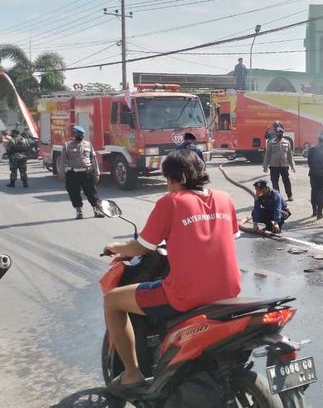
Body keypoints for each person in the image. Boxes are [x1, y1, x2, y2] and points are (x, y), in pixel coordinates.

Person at [102, 150, 240, 393]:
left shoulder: (171, 202)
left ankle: (132, 374)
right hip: (229, 292)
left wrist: (117, 248)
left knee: (112, 301)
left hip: (185, 295)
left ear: (175, 178)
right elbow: (227, 238)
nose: (167, 185)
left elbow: (141, 247)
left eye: (167, 180)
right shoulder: (224, 198)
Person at [59, 125, 103, 219]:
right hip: (73, 174)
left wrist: (97, 173)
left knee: (92, 193)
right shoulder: (67, 145)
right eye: (78, 134)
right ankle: (79, 211)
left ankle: (97, 210)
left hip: (86, 173)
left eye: (82, 134)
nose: (81, 135)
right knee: (74, 193)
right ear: (74, 134)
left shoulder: (88, 145)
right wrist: (61, 173)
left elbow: (94, 159)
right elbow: (62, 160)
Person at [263, 126, 295, 201]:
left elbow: (290, 155)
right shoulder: (271, 142)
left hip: (284, 165)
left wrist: (292, 166)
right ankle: (277, 197)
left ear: (283, 133)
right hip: (274, 166)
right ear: (276, 133)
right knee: (274, 182)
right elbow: (267, 155)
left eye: (281, 132)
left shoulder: (287, 142)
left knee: (286, 181)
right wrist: (265, 166)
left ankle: (289, 195)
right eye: (278, 132)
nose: (279, 133)